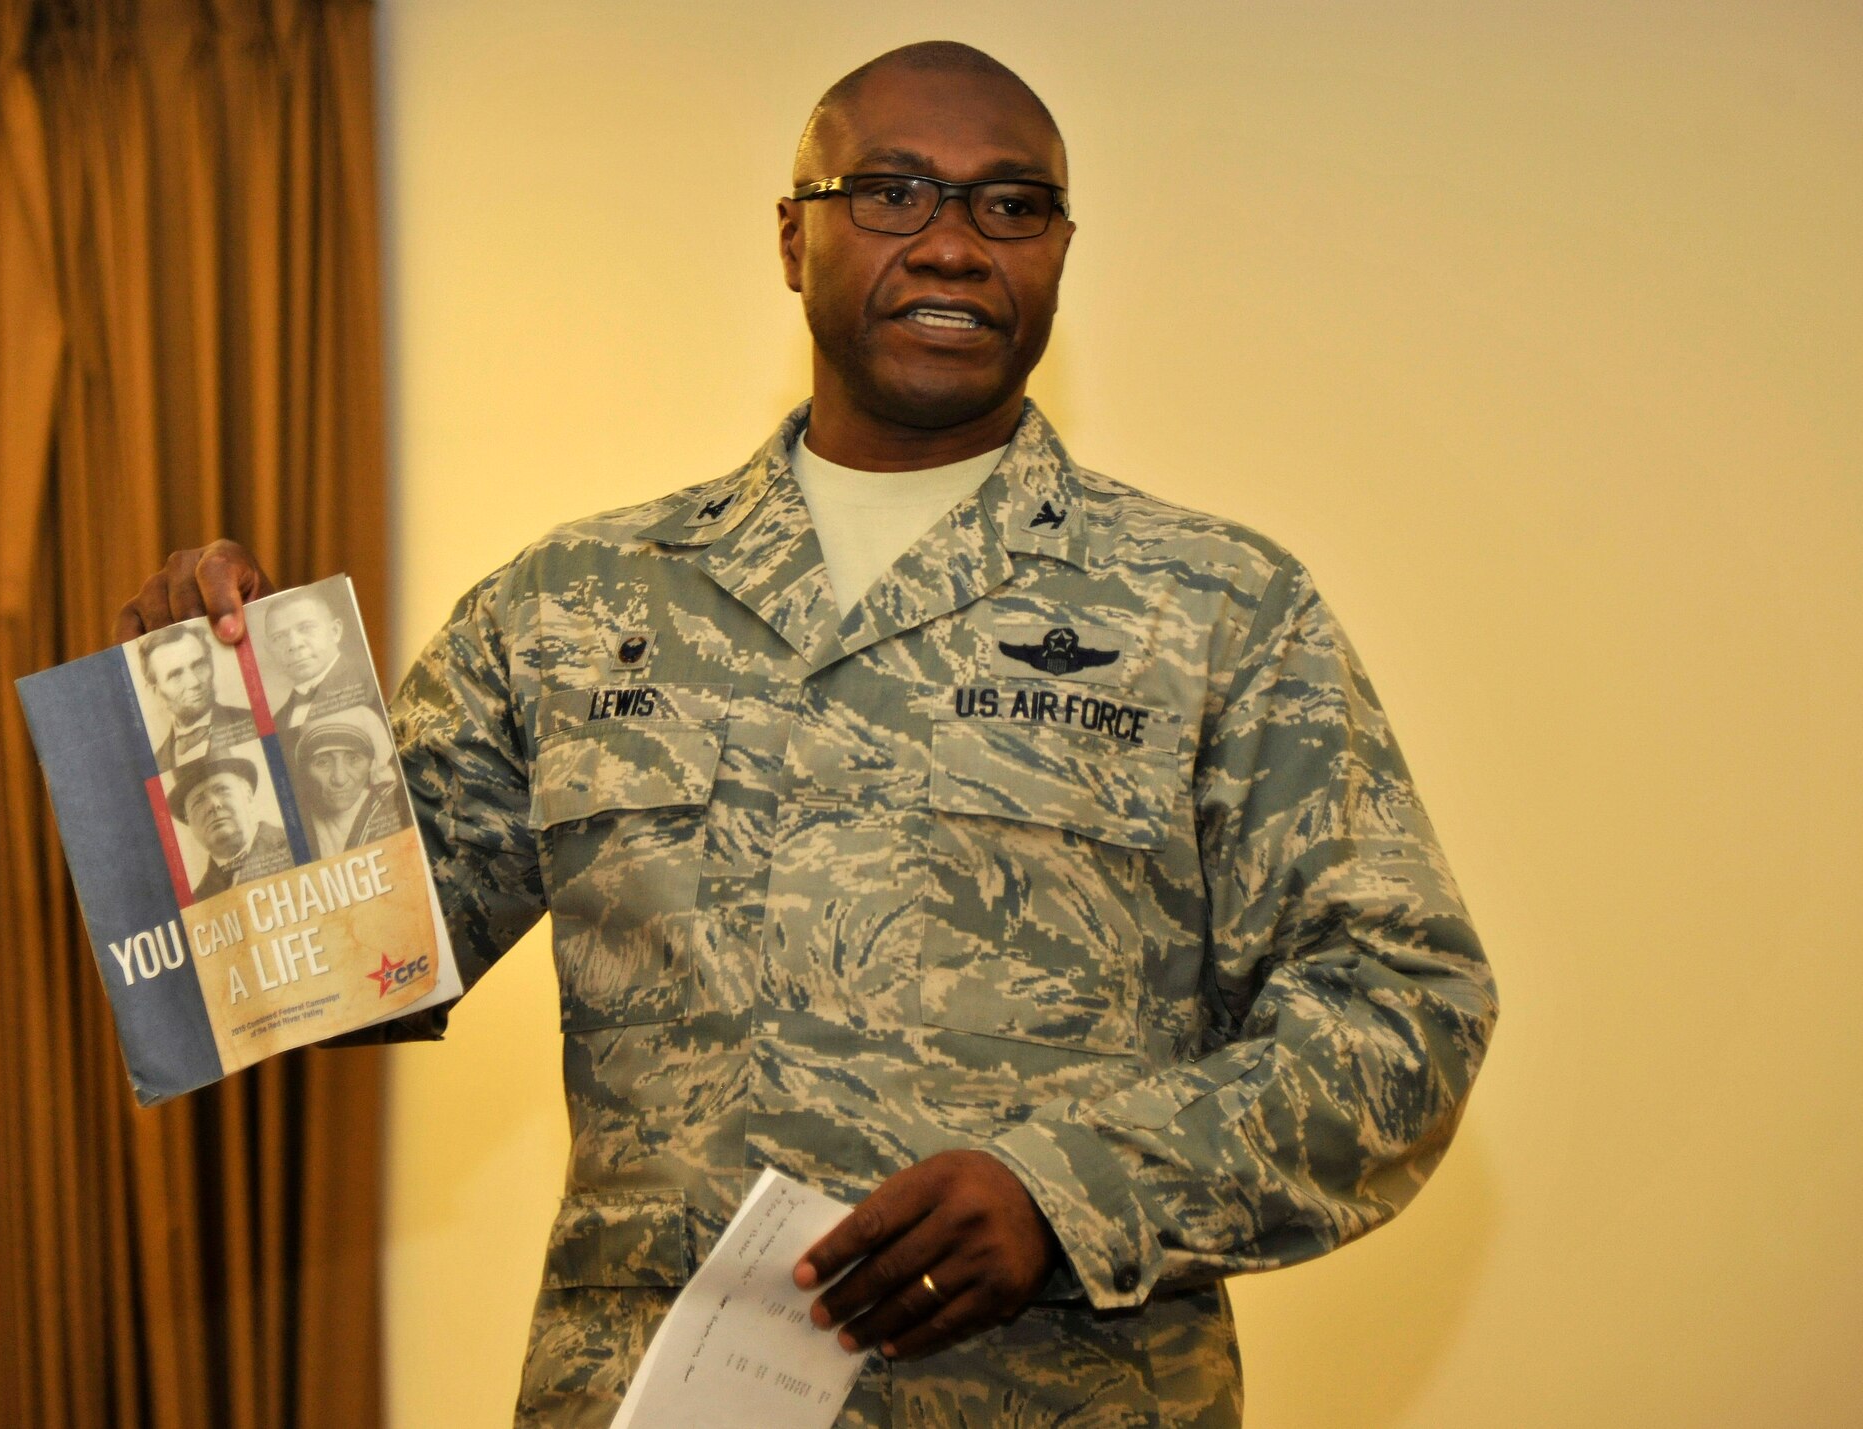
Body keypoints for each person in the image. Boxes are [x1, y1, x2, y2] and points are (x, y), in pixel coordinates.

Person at [115, 41, 1497, 1429]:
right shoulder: (572, 603)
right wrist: (212, 722)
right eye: (894, 192)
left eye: (1011, 205)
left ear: (1062, 252)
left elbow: (1403, 1012)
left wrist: (1069, 1198)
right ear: (795, 234)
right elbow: (333, 969)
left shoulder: (1219, 611)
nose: (955, 244)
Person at [166, 755, 293, 900]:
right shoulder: (199, 900)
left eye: (222, 789)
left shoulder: (295, 846)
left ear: (248, 795)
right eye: (198, 801)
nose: (213, 804)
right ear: (187, 820)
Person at [137, 624, 258, 770]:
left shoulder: (255, 721)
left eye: (199, 665)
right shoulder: (156, 764)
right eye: (176, 675)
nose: (194, 682)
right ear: (155, 691)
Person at [291, 713, 409, 860]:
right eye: (322, 762)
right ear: (305, 769)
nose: (340, 779)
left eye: (353, 759)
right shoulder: (295, 825)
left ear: (372, 764)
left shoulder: (395, 805)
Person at [260, 587, 375, 730]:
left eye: (306, 628)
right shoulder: (276, 721)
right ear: (270, 650)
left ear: (335, 631)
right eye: (278, 637)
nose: (294, 644)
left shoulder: (371, 684)